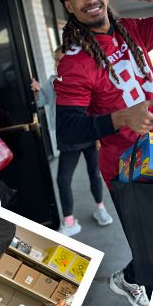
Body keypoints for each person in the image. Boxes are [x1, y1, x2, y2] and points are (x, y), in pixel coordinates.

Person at [52, 0, 153, 306]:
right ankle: (132, 279)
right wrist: (119, 118)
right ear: (69, 6)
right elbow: (68, 129)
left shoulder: (130, 31)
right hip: (127, 170)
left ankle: (132, 277)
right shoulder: (75, 62)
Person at [43, 74, 113, 237]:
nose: (59, 63)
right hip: (69, 136)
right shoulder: (54, 80)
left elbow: (97, 105)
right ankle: (69, 222)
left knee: (95, 173)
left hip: (89, 132)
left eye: (62, 59)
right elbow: (42, 100)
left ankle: (100, 209)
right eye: (56, 60)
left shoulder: (85, 77)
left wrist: (99, 135)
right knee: (63, 179)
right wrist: (38, 90)